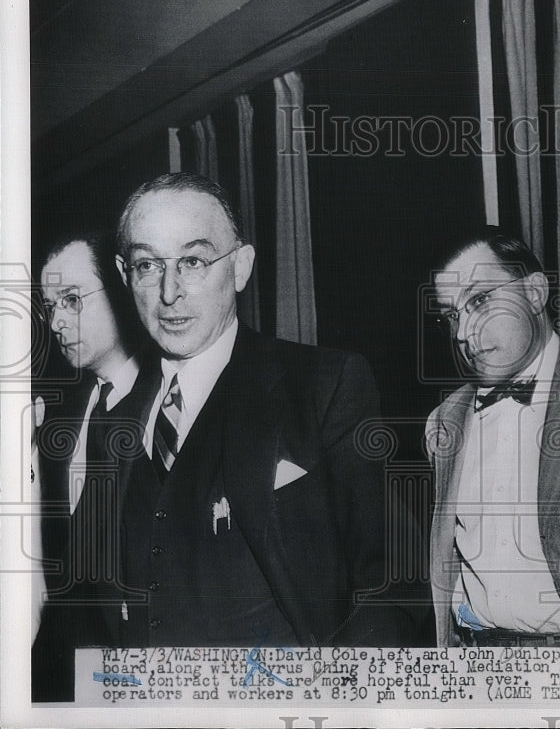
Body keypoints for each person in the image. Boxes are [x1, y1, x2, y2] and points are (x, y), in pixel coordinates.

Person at [112, 172, 409, 647]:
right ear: (126, 276)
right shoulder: (118, 417)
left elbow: (389, 584)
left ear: (241, 266)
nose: (170, 292)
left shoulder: (324, 386)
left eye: (193, 260)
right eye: (148, 265)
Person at [425, 231, 560, 647]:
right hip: (477, 666)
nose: (462, 332)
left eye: (479, 300)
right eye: (451, 315)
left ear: (535, 291)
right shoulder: (445, 420)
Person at [32, 230, 157, 701]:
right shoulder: (59, 418)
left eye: (71, 299)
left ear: (122, 289)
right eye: (49, 307)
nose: (57, 321)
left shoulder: (171, 404)